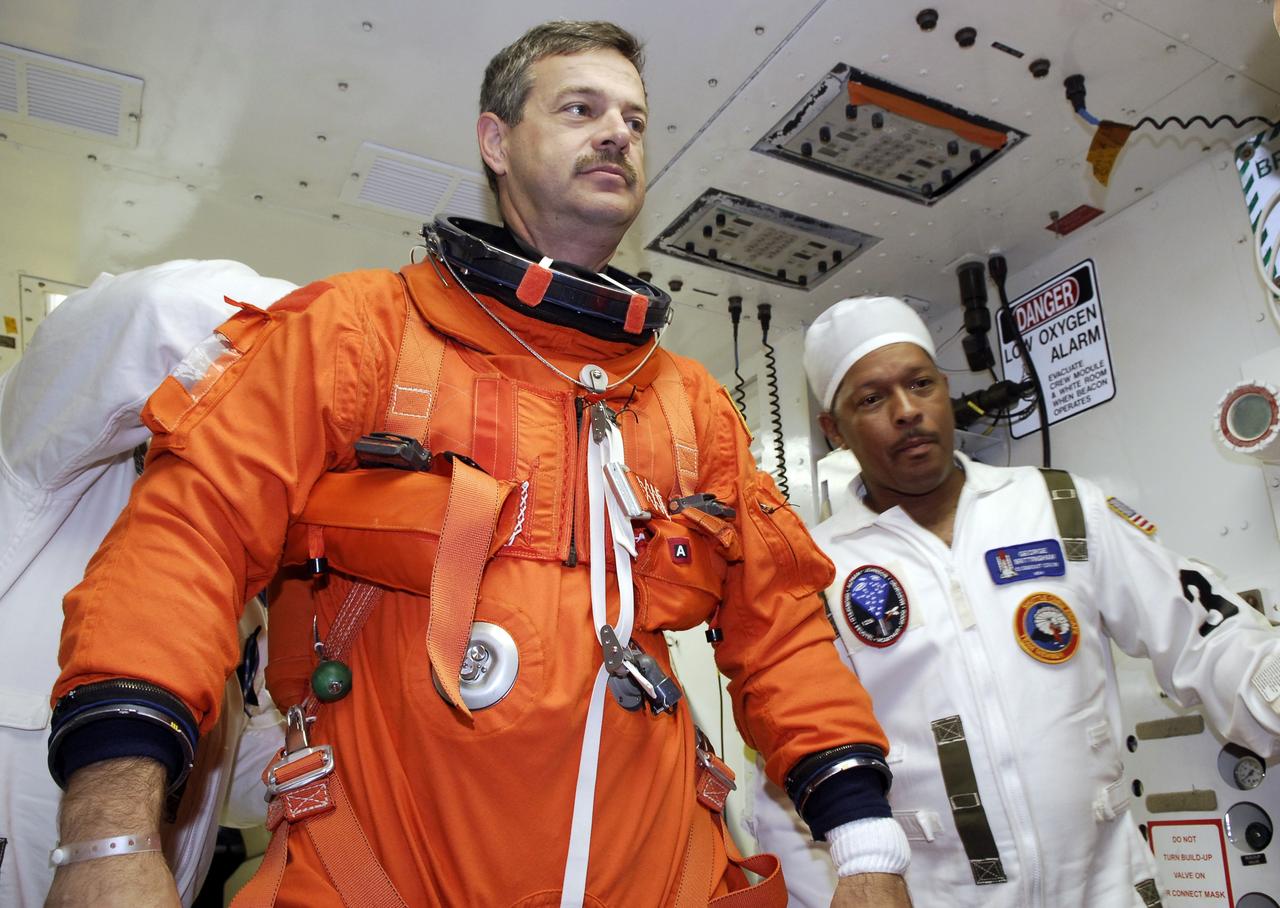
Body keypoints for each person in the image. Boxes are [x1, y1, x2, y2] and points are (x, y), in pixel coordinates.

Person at [45, 22, 913, 908]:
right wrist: (106, 836)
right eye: (581, 108)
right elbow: (185, 542)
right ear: (496, 142)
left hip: (661, 876)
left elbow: (783, 633)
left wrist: (868, 849)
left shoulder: (690, 406)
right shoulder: (358, 334)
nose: (618, 133)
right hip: (380, 873)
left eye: (635, 121)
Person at [751, 294, 1280, 907]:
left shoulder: (1057, 507)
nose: (906, 411)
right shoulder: (814, 568)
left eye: (920, 384)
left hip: (1101, 890)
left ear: (944, 390)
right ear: (835, 431)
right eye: (871, 399)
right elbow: (795, 765)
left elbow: (1204, 633)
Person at [0, 260, 294, 906]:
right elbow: (151, 312)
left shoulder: (244, 600)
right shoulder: (41, 466)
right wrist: (385, 361)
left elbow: (237, 774)